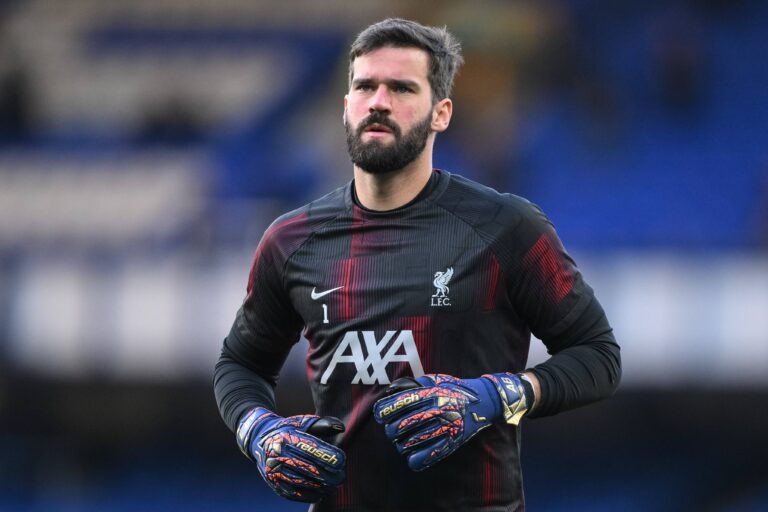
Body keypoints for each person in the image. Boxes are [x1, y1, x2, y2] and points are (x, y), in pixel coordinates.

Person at [214, 18, 621, 512]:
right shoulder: (293, 240)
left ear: (440, 113)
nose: (379, 102)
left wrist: (500, 395)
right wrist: (260, 432)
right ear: (346, 107)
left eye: (402, 88)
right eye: (364, 86)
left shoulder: (504, 227)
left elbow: (598, 354)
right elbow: (240, 364)